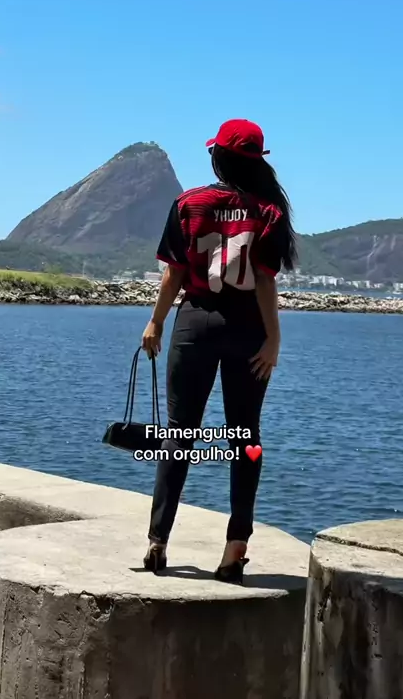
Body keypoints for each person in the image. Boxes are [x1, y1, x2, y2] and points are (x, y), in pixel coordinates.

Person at [141, 118, 297, 584]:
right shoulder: (269, 212)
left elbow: (173, 273)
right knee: (245, 437)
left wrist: (155, 321)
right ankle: (235, 549)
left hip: (196, 322)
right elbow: (264, 281)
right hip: (247, 327)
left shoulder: (189, 203)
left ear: (218, 157)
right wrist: (273, 339)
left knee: (179, 433)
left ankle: (157, 541)